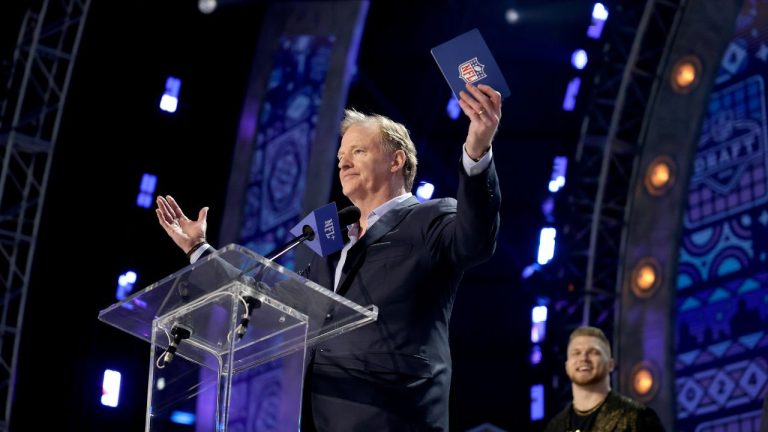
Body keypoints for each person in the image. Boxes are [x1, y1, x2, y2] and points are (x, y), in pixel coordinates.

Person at [156, 82, 502, 431]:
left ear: (396, 160)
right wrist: (198, 249)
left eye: (357, 152)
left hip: (396, 415)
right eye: (340, 157)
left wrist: (476, 153)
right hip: (325, 416)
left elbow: (476, 239)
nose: (343, 163)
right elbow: (259, 297)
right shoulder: (327, 241)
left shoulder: (431, 218)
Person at [544, 326, 666, 432]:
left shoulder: (636, 418)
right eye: (576, 353)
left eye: (593, 352)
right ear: (567, 366)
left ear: (610, 364)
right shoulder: (555, 427)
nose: (583, 358)